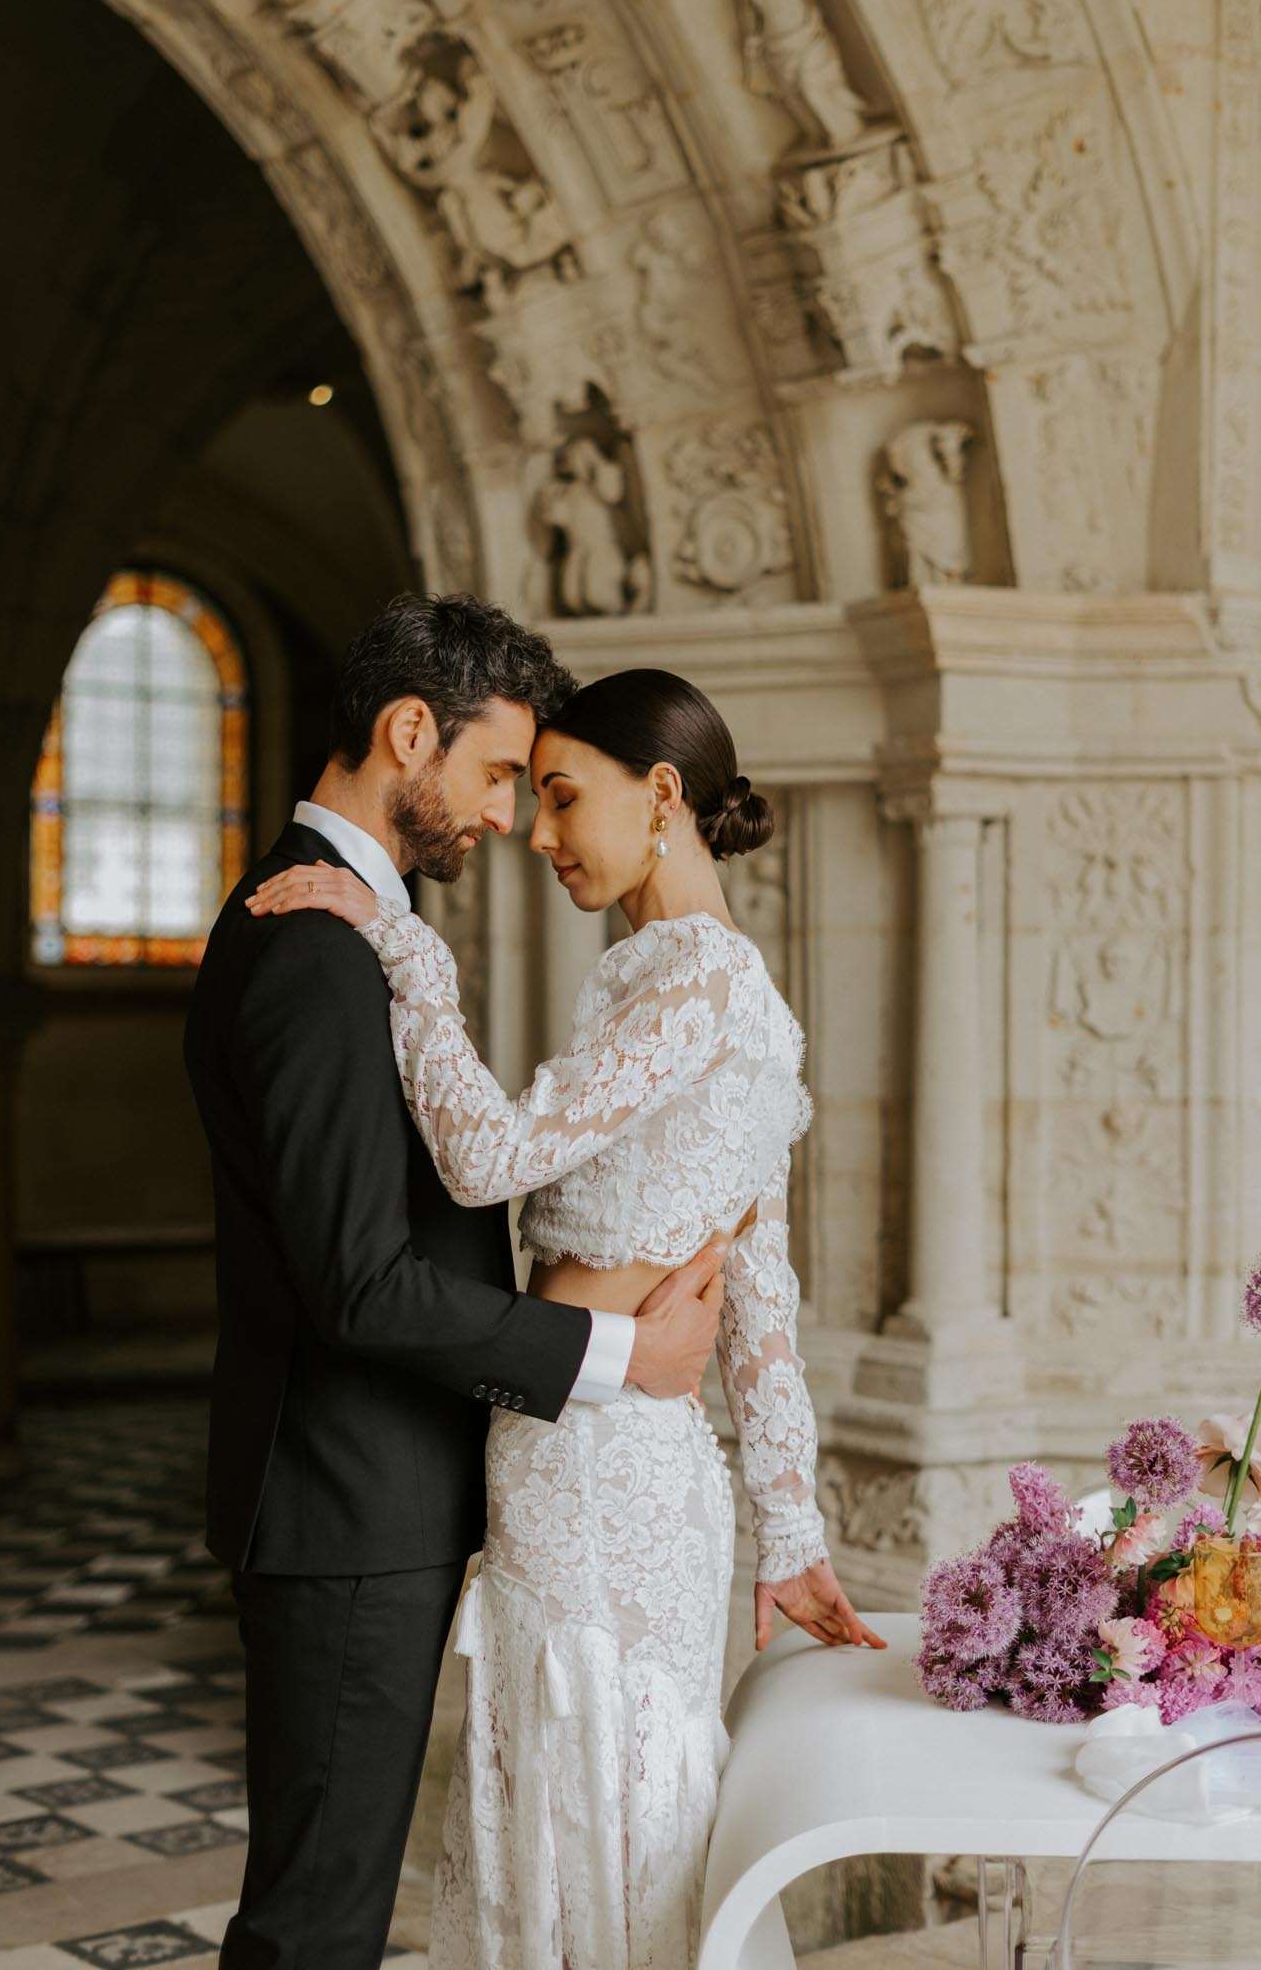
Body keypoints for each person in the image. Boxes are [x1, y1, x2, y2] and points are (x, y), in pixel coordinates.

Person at [248, 661, 887, 1968]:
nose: (535, 837)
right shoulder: (731, 995)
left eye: (559, 797)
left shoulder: (696, 987)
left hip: (600, 1467)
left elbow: (487, 1161)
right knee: (602, 1809)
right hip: (622, 1459)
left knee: (593, 1814)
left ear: (659, 795)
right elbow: (759, 1295)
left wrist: (398, 944)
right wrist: (790, 1529)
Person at [184, 598, 730, 1970]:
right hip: (341, 1503)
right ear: (405, 731)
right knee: (315, 1921)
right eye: (497, 774)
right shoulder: (314, 947)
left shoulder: (357, 925)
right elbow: (359, 1287)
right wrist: (617, 1358)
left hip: (378, 1495)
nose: (505, 816)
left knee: (334, 1902)